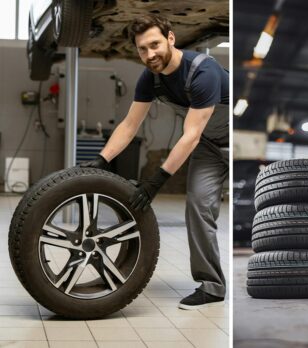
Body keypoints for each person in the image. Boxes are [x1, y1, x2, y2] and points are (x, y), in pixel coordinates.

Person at [80, 14, 229, 309]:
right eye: (142, 49)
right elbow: (129, 124)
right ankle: (212, 286)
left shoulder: (203, 72)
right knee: (198, 207)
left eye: (155, 45)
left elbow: (190, 135)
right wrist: (101, 160)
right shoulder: (151, 78)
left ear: (171, 38)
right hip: (211, 148)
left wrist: (156, 181)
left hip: (235, 141)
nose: (149, 55)